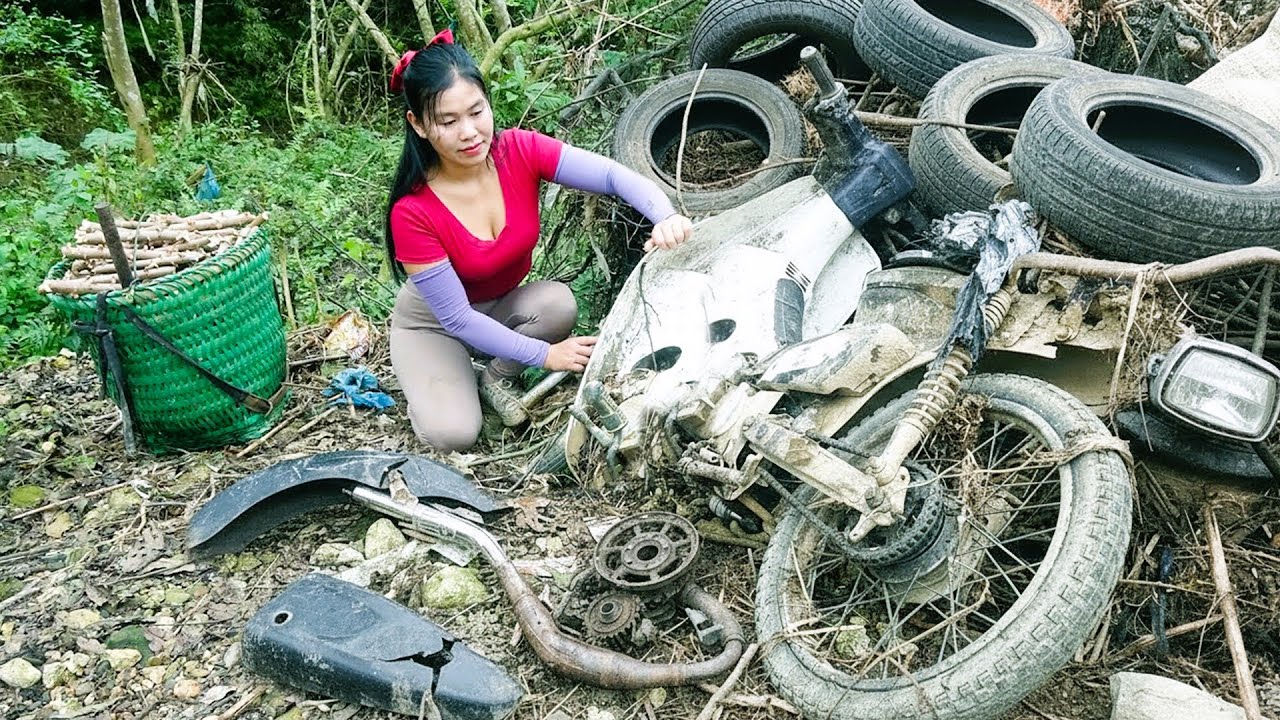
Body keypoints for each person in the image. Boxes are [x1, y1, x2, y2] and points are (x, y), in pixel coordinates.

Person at [385, 29, 694, 452]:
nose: (470, 132)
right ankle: (441, 380)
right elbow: (456, 319)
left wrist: (665, 216)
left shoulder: (519, 151)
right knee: (453, 434)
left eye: (477, 111)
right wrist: (546, 356)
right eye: (448, 121)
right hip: (434, 325)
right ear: (418, 125)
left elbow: (609, 175)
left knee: (557, 304)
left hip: (496, 308)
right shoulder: (413, 211)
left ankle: (492, 379)